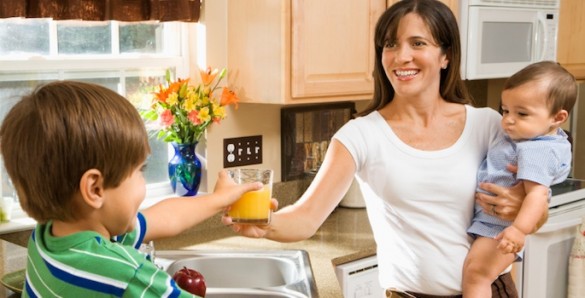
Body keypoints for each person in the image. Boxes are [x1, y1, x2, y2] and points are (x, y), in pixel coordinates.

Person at [223, 0, 541, 297]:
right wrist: (264, 224)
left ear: (446, 56)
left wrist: (522, 209)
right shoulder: (361, 136)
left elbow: (537, 205)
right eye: (391, 44)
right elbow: (306, 218)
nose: (401, 57)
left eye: (418, 43)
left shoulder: (488, 125)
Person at [0, 80, 262, 297]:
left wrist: (218, 199)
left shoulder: (47, 238)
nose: (142, 182)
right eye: (140, 171)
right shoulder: (127, 275)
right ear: (95, 189)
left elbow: (163, 218)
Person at [463, 61, 577, 297]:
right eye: (505, 110)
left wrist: (518, 230)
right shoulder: (528, 138)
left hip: (499, 226)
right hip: (493, 223)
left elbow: (537, 194)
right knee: (477, 272)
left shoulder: (536, 149)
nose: (508, 120)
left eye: (522, 113)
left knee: (477, 275)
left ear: (557, 117)